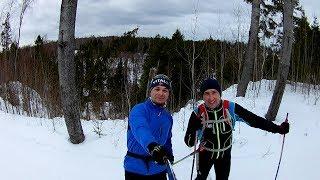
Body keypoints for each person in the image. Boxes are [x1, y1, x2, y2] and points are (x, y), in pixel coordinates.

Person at [184, 77, 290, 180]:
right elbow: (189, 142)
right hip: (205, 155)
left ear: (219, 93)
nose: (211, 98)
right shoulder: (198, 112)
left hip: (224, 156)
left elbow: (255, 120)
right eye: (206, 93)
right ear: (202, 96)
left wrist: (278, 129)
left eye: (214, 92)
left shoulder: (230, 108)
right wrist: (194, 127)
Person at [124, 74, 174, 180]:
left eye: (165, 90)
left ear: (168, 94)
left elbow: (167, 139)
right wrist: (152, 146)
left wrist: (169, 153)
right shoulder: (139, 109)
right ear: (150, 91)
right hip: (135, 170)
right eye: (157, 89)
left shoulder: (167, 116)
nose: (161, 93)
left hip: (158, 170)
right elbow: (140, 128)